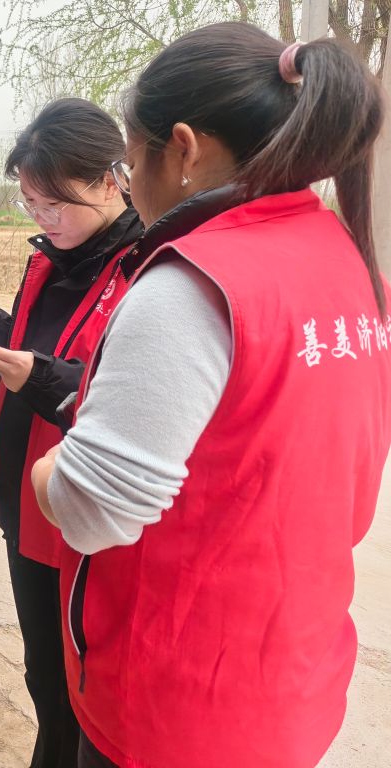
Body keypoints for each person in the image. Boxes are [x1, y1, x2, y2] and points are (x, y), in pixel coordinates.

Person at [31, 24, 391, 768]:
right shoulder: (347, 261)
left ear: (185, 149)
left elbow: (94, 511)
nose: (132, 183)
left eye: (133, 161)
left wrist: (48, 472)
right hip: (290, 677)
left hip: (176, 701)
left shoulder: (192, 286)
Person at [0, 98, 143, 768]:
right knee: (44, 674)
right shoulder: (49, 263)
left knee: (86, 685)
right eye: (29, 203)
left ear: (108, 181)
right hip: (28, 502)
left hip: (84, 512)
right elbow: (41, 347)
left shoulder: (147, 269)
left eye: (54, 204)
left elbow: (129, 393)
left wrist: (43, 378)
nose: (42, 219)